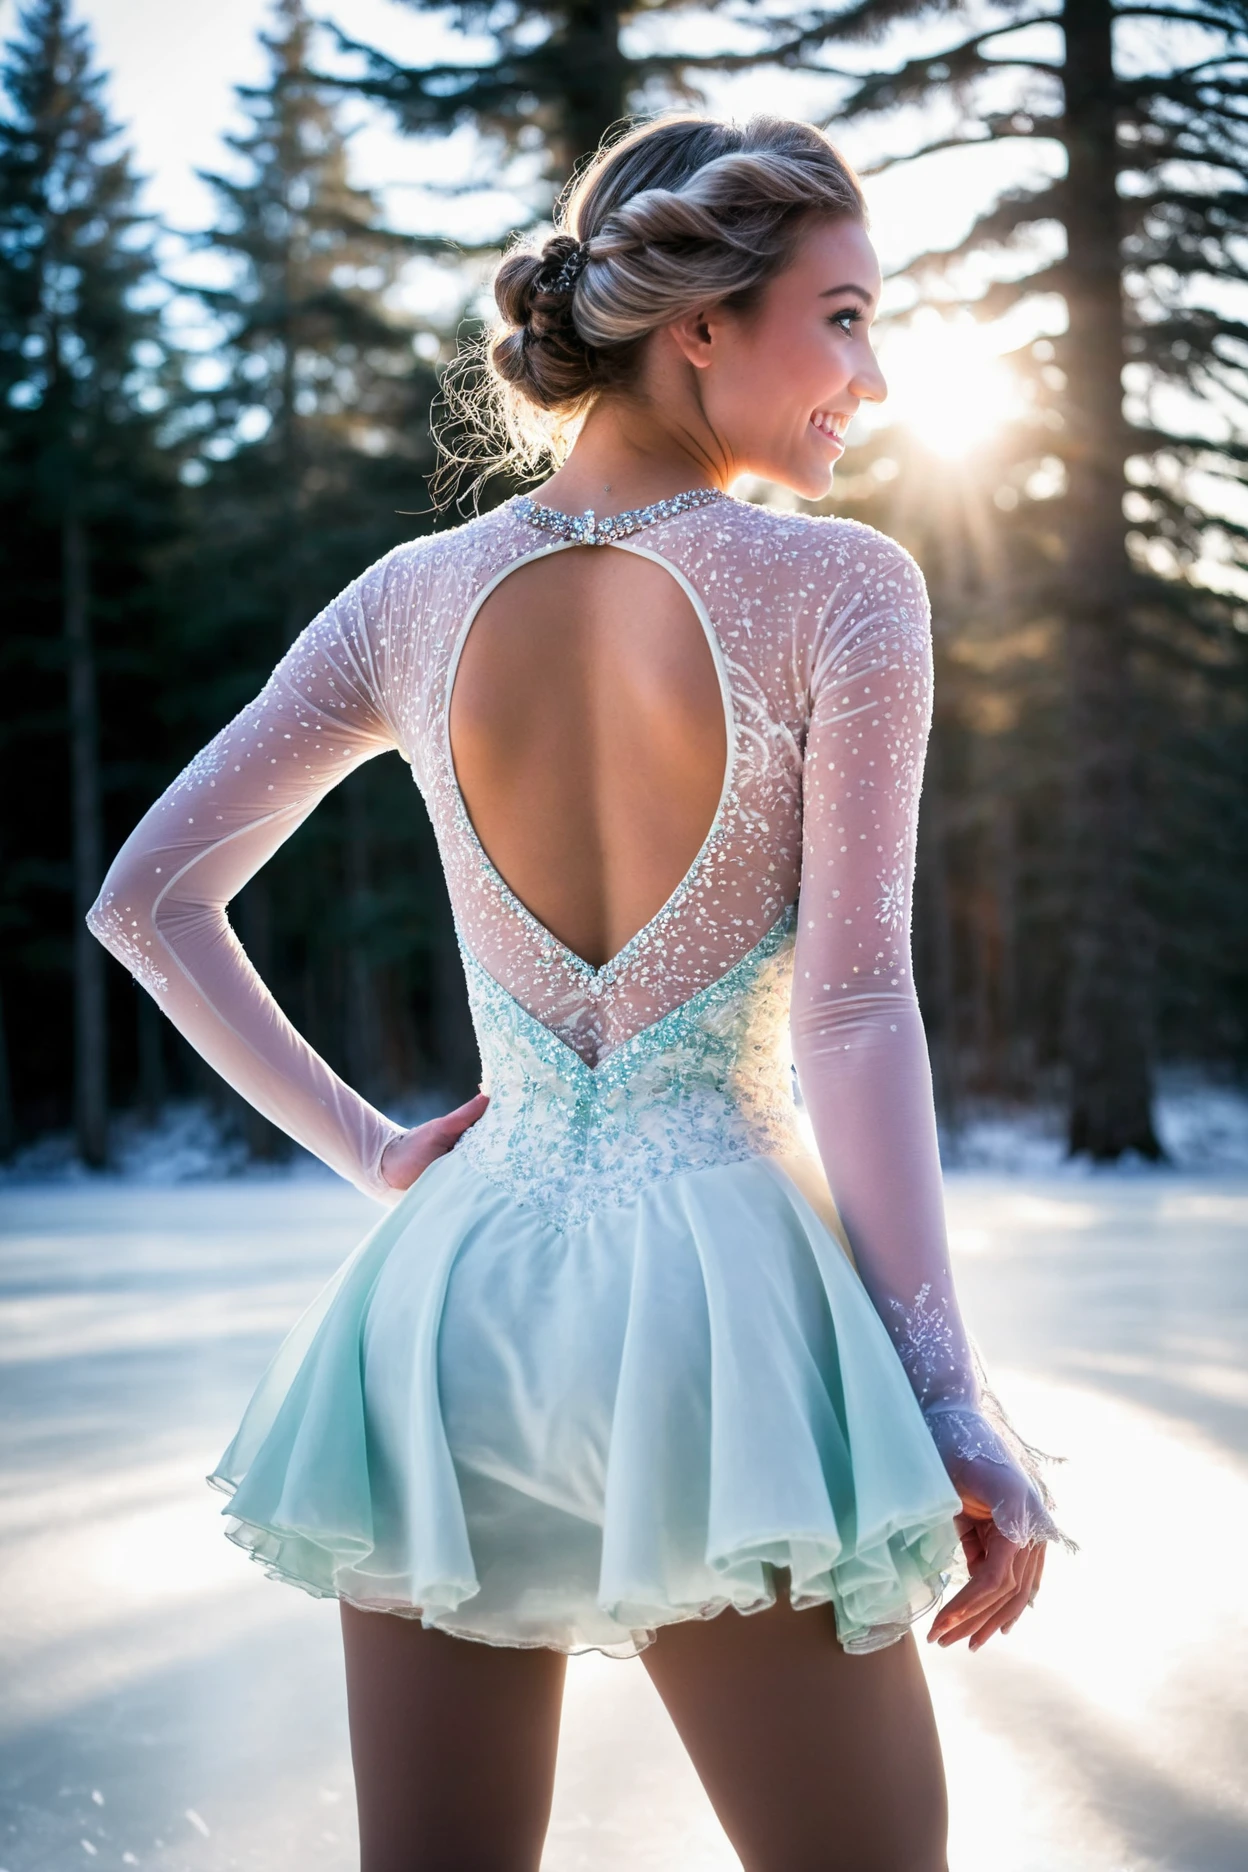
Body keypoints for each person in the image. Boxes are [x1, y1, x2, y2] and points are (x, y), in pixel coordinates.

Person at [89, 113, 1069, 1872]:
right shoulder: (843, 590)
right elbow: (852, 1010)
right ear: (699, 322)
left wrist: (380, 1154)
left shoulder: (408, 597)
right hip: (723, 1334)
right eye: (841, 315)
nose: (878, 370)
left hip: (447, 1315)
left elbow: (147, 898)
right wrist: (942, 1392)